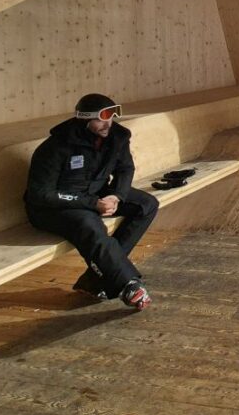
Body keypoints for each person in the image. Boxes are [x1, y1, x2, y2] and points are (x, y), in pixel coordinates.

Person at [24, 93, 158, 310]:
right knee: (89, 224)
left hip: (94, 193)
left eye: (111, 117)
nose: (108, 124)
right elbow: (39, 194)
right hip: (54, 206)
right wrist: (92, 203)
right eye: (100, 119)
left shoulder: (117, 137)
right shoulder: (55, 147)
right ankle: (128, 284)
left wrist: (116, 196)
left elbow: (125, 168)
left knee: (146, 204)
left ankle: (96, 279)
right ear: (84, 119)